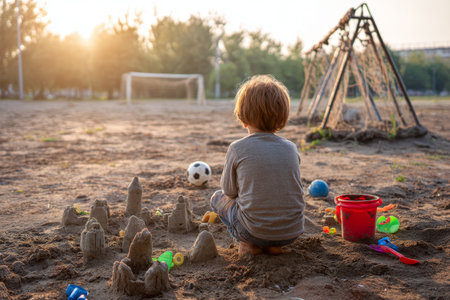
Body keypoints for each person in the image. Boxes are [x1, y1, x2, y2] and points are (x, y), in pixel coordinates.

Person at [210, 75, 305, 256]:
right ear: (281, 118)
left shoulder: (237, 148)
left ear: (243, 117)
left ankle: (249, 245)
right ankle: (273, 245)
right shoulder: (291, 148)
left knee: (217, 198)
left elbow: (229, 192)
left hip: (253, 231)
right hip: (291, 232)